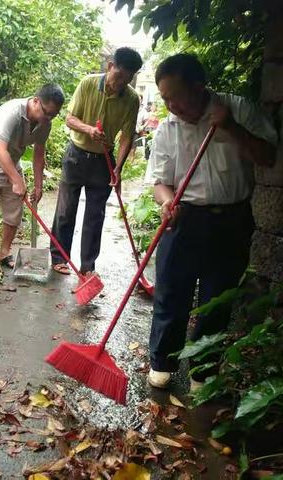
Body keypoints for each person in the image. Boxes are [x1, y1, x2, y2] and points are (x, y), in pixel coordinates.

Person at [146, 53, 277, 390]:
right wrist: (166, 202)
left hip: (231, 220)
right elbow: (160, 181)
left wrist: (231, 127)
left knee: (217, 298)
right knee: (171, 293)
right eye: (164, 98)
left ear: (199, 86)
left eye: (176, 96)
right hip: (184, 219)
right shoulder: (167, 128)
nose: (171, 105)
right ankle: (162, 361)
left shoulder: (237, 109)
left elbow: (268, 156)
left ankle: (203, 371)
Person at [50, 47, 143, 276]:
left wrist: (118, 169)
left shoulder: (132, 99)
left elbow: (127, 137)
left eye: (128, 78)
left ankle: (87, 267)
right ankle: (59, 258)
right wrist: (89, 130)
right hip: (76, 155)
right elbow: (70, 119)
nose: (122, 82)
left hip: (104, 161)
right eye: (119, 75)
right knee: (65, 210)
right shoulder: (88, 84)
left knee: (95, 215)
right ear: (110, 65)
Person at [0, 85, 64, 268]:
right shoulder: (13, 112)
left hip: (12, 163)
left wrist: (38, 185)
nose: (49, 118)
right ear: (36, 101)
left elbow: (39, 153)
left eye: (54, 115)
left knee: (13, 213)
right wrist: (17, 180)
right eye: (47, 113)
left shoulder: (46, 123)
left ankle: (5, 253)